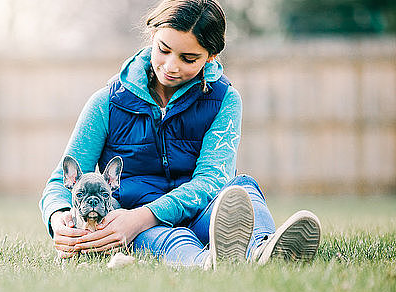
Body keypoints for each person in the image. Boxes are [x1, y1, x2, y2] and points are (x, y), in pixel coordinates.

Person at [39, 0, 321, 269]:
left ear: (211, 57)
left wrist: (145, 215)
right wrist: (59, 217)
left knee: (241, 190)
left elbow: (213, 179)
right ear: (152, 35)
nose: (171, 66)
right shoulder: (107, 103)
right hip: (137, 221)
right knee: (164, 238)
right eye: (164, 49)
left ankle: (262, 248)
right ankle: (205, 262)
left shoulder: (225, 100)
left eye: (188, 58)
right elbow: (60, 181)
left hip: (200, 211)